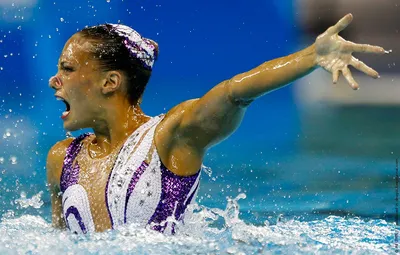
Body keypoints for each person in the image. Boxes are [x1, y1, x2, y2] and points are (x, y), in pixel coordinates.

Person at [47, 14, 388, 234]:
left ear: (110, 82)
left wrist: (311, 56)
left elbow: (232, 93)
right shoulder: (62, 160)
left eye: (67, 69)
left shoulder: (170, 135)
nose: (54, 80)